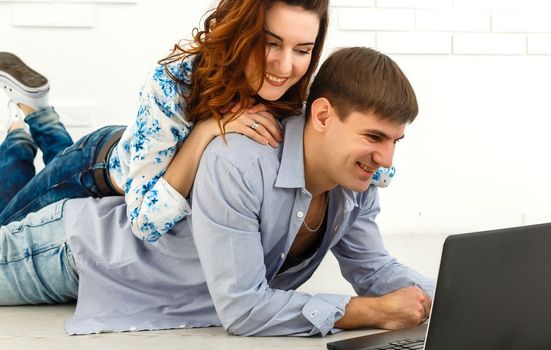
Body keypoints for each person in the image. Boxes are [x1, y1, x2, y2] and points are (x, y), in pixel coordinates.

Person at [0, 47, 434, 337]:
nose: (387, 160)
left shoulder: (356, 182)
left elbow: (374, 270)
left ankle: (28, 127)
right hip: (69, 251)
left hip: (117, 192)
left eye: (395, 141)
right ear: (322, 115)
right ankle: (22, 136)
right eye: (375, 137)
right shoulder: (241, 161)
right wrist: (368, 311)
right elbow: (244, 309)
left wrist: (460, 295)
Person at [0, 0, 362, 243]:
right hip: (96, 169)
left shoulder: (301, 97)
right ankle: (19, 137)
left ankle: (38, 114)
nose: (286, 67)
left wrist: (369, 157)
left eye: (302, 50)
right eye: (270, 44)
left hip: (138, 145)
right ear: (241, 33)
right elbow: (144, 221)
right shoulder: (175, 81)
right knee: (5, 225)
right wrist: (207, 130)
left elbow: (368, 156)